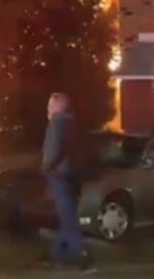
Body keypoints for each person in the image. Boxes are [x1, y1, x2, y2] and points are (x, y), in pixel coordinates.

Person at [40, 92, 94, 273]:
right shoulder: (73, 123)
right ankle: (56, 256)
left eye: (50, 105)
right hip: (73, 175)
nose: (48, 109)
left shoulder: (56, 123)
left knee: (69, 218)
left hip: (59, 176)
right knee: (67, 215)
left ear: (58, 106)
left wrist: (47, 168)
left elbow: (55, 150)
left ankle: (82, 257)